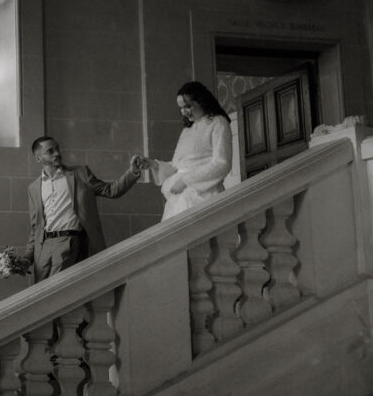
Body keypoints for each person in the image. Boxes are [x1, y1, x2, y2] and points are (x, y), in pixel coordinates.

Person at [20, 136, 146, 282]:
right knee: (39, 295)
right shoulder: (33, 188)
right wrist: (27, 259)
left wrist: (132, 172)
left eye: (57, 148)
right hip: (43, 248)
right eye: (50, 151)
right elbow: (36, 228)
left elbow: (112, 190)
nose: (57, 153)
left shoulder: (81, 174)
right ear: (38, 159)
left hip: (69, 242)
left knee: (55, 290)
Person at [148, 81, 232, 220]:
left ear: (202, 101)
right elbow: (176, 166)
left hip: (203, 194)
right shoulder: (187, 131)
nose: (184, 112)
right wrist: (154, 164)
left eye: (188, 106)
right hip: (178, 198)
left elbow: (221, 163)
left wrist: (187, 180)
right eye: (181, 108)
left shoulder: (218, 123)